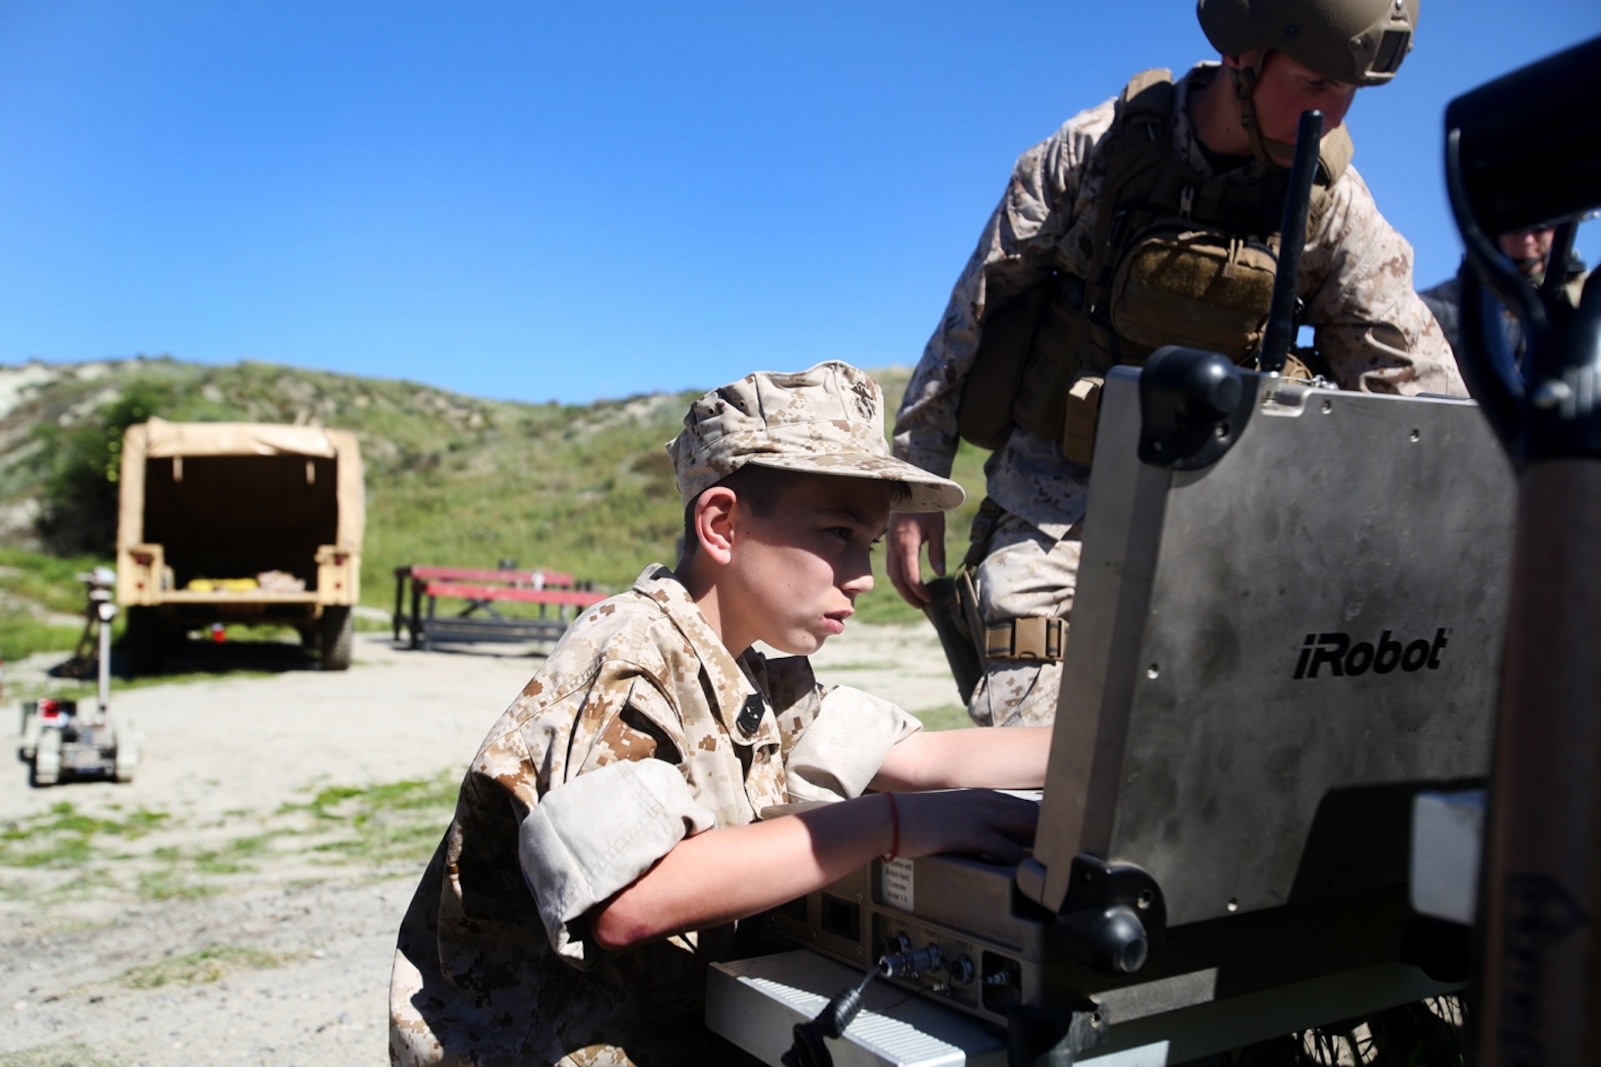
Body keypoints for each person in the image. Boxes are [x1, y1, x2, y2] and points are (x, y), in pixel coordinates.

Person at [388, 360, 1051, 1066]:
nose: (860, 575)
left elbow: (927, 759)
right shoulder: (626, 649)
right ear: (722, 524)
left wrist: (1118, 750)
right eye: (837, 533)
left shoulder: (751, 670)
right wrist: (892, 824)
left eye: (869, 543)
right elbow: (632, 901)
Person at [887, 0, 1466, 729]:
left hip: (1231, 520)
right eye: (1315, 84)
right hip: (1055, 501)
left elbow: (1417, 393)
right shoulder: (1092, 151)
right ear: (1242, 58)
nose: (1336, 113)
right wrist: (915, 484)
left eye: (1350, 92)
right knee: (1037, 760)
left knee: (1218, 763)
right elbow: (974, 308)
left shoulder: (1332, 206)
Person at [1419, 224, 1590, 356]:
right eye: (1516, 227)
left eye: (1540, 228)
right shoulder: (1449, 297)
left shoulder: (1590, 294)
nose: (1528, 239)